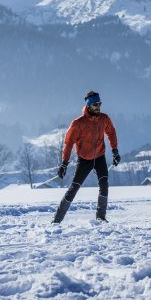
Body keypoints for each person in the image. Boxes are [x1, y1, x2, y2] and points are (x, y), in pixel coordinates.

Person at [52, 91, 120, 223]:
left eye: (100, 103)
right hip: (84, 160)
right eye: (95, 104)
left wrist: (115, 151)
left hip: (99, 157)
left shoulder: (104, 118)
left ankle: (101, 217)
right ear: (88, 105)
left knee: (104, 184)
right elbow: (68, 143)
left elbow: (111, 132)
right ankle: (57, 220)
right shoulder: (78, 123)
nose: (98, 107)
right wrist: (64, 163)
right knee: (74, 188)